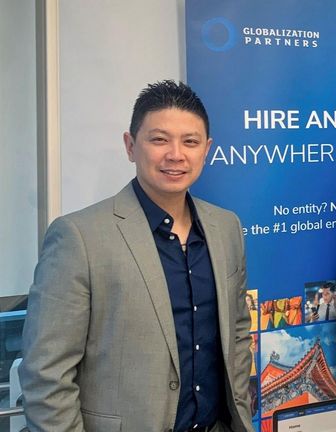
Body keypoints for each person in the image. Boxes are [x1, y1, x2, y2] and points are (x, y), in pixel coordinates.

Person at [20, 80, 254, 432]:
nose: (176, 154)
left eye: (190, 142)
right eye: (159, 140)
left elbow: (237, 331)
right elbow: (46, 374)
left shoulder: (226, 227)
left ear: (206, 150)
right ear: (130, 146)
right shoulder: (79, 237)